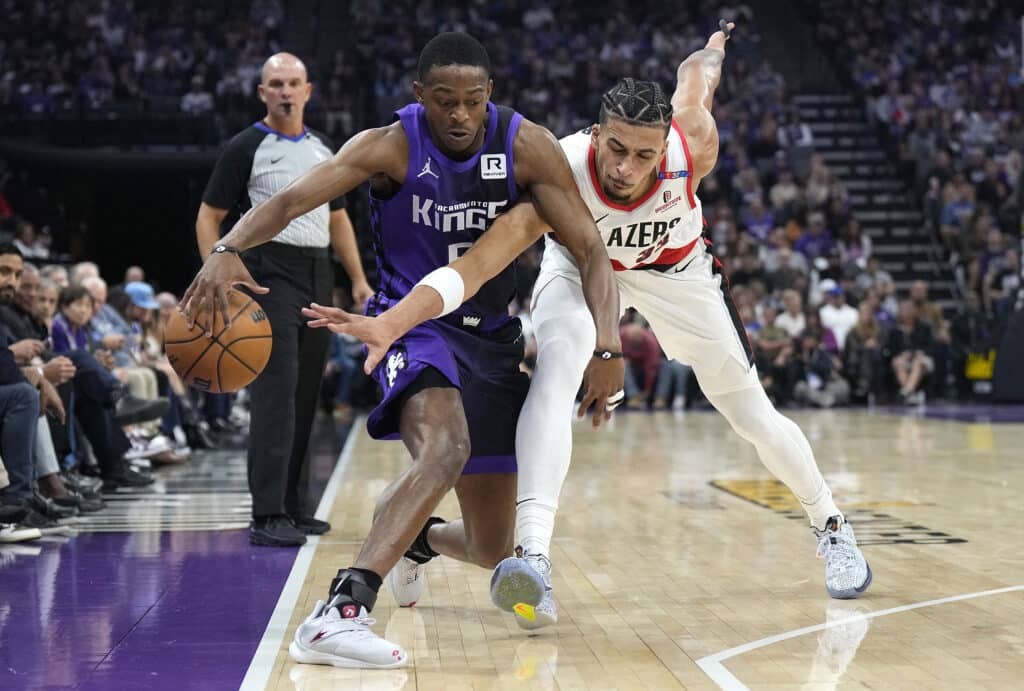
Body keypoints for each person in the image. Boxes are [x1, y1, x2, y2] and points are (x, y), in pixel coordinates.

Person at [319, 22, 873, 632]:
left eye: (643, 155)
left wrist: (713, 48)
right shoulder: (562, 164)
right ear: (597, 134)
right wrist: (399, 319)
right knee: (555, 374)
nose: (625, 167)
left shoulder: (695, 143)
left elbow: (697, 80)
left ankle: (831, 524)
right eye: (615, 148)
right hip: (579, 268)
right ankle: (533, 558)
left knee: (753, 416)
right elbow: (481, 262)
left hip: (676, 271)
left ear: (664, 149)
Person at [180, 32, 623, 667]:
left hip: (493, 341)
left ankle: (418, 541)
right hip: (410, 327)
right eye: (444, 100)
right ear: (421, 96)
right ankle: (341, 611)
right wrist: (228, 250)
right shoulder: (389, 143)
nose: (460, 114)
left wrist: (608, 347)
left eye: (472, 100)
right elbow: (288, 201)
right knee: (447, 448)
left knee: (495, 550)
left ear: (489, 95)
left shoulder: (529, 145)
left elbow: (589, 249)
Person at [194, 52, 375, 547]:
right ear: (262, 92)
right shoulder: (245, 146)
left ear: (309, 90)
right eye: (276, 83)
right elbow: (209, 216)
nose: (285, 91)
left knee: (306, 395)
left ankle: (294, 505)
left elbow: (339, 220)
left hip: (318, 272)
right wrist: (220, 271)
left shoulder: (324, 150)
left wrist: (357, 280)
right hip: (267, 271)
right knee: (276, 395)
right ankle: (266, 513)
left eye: (294, 82)